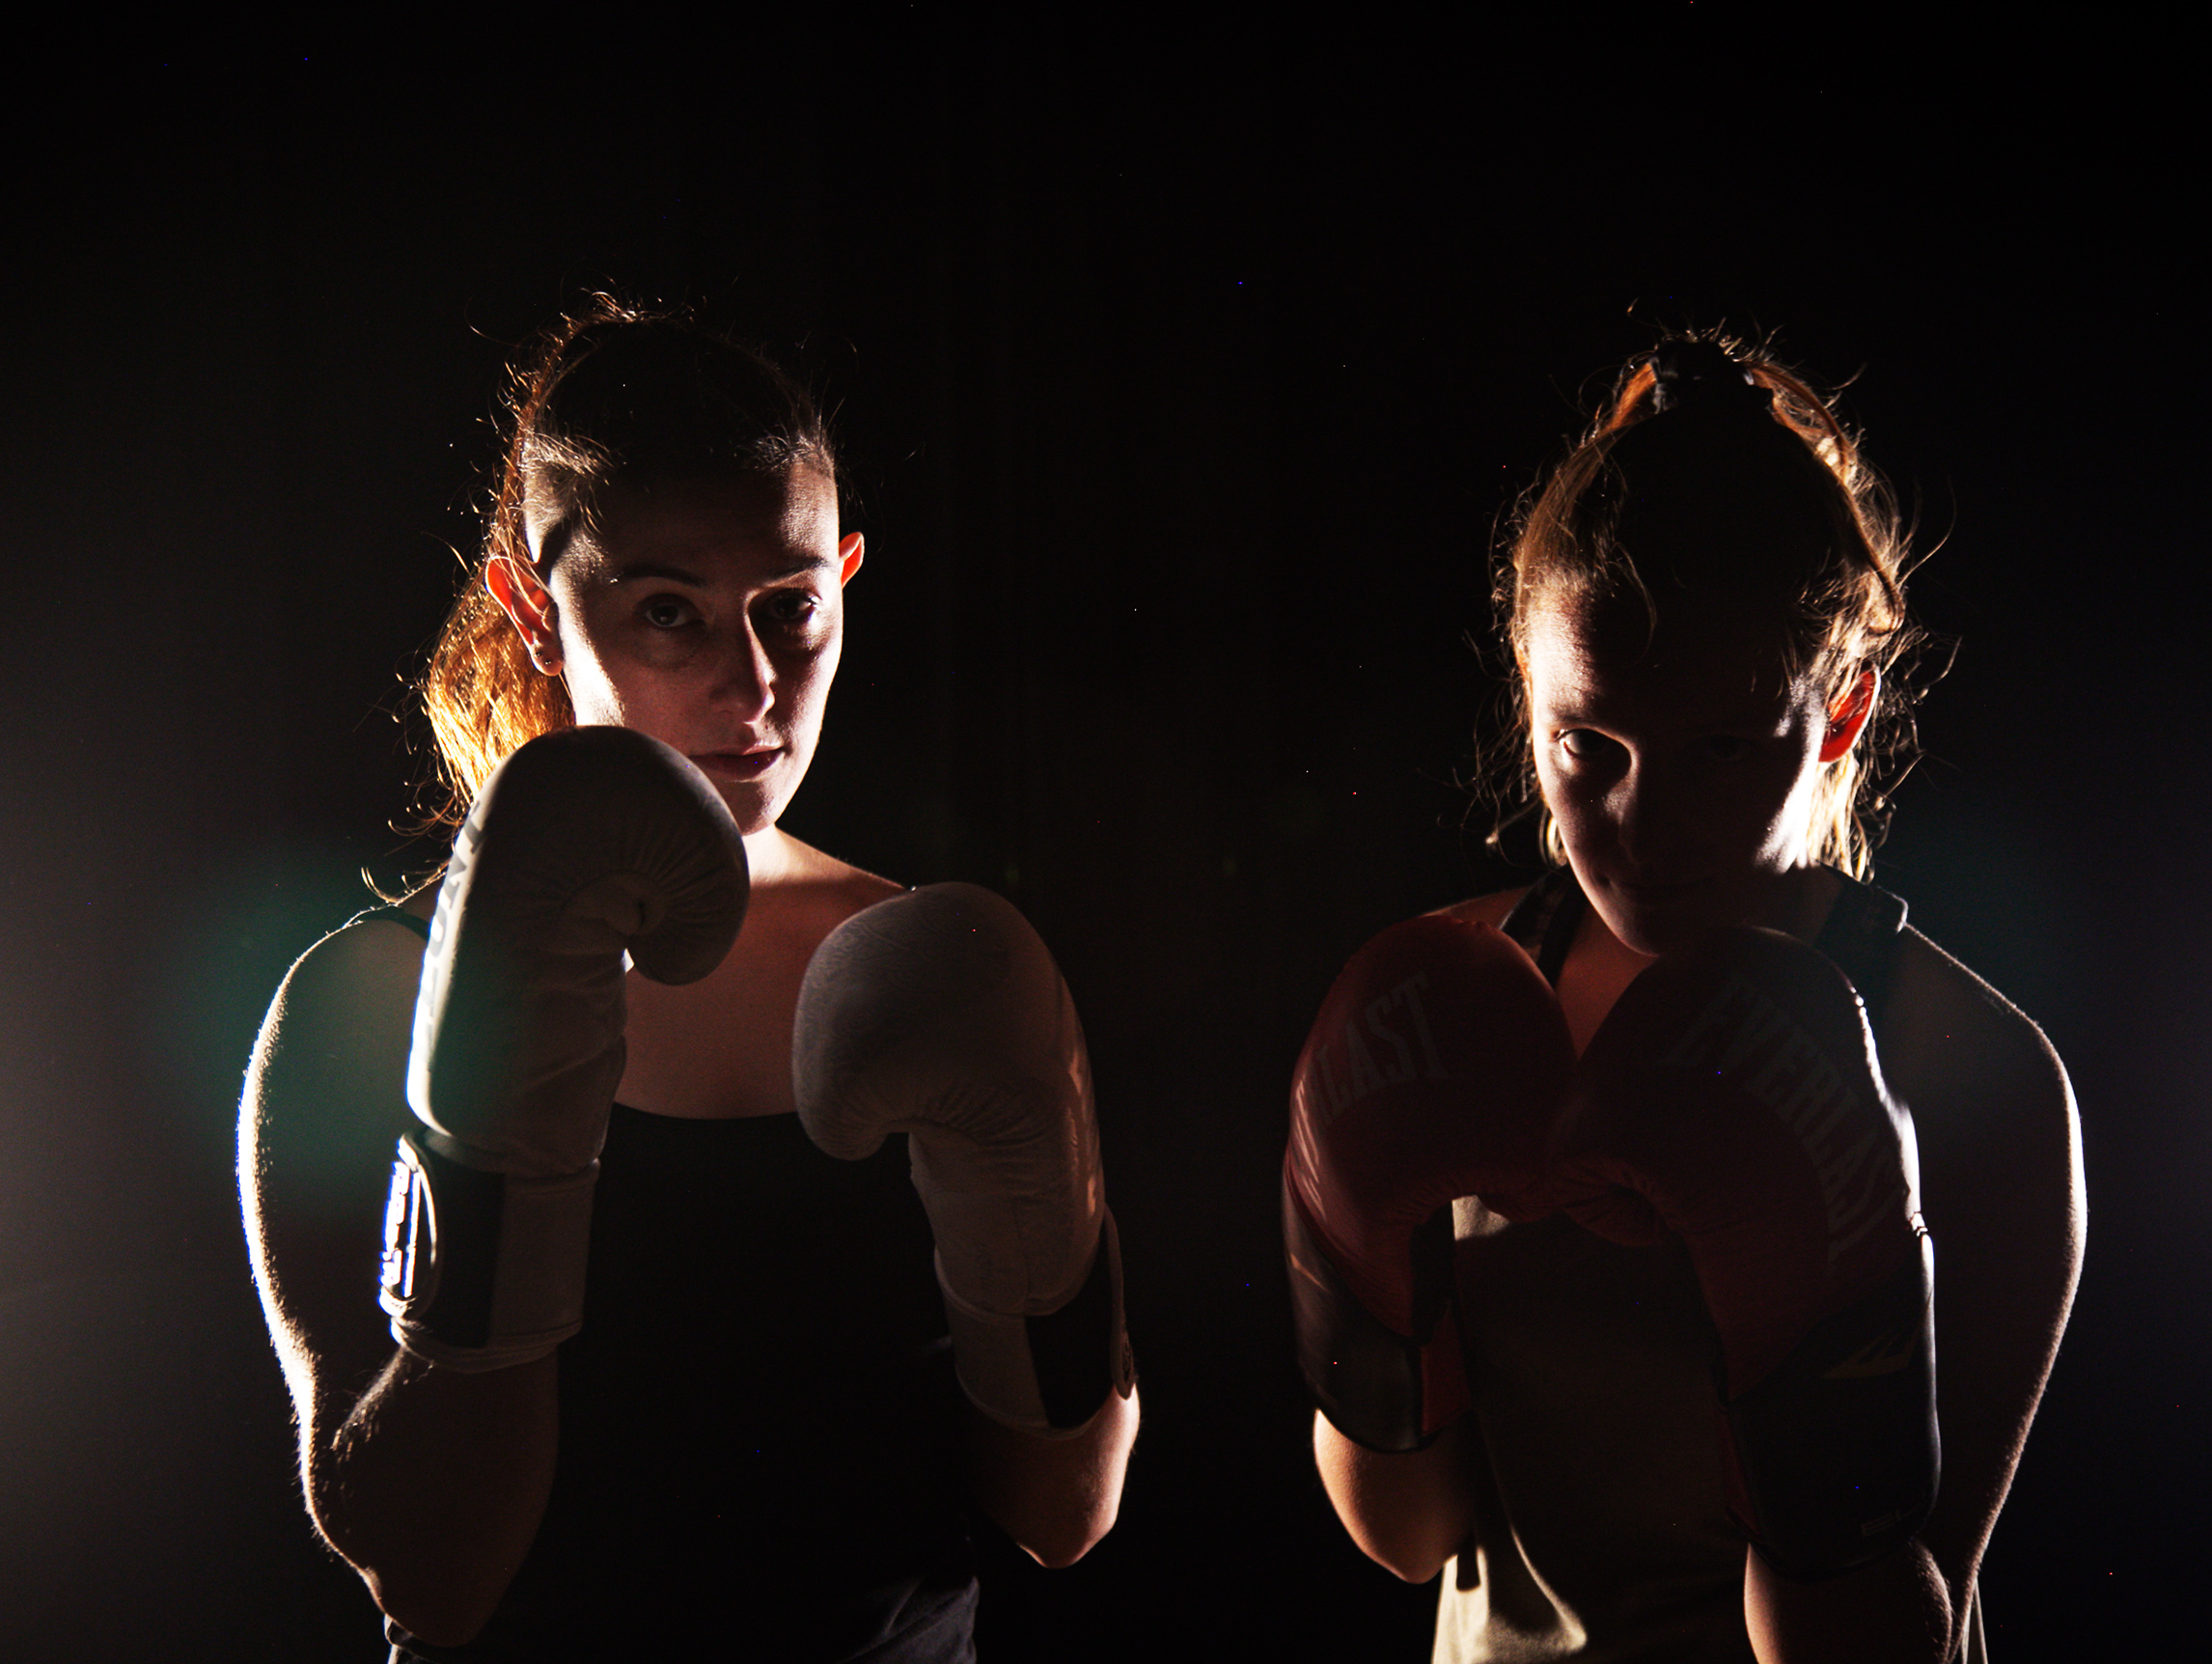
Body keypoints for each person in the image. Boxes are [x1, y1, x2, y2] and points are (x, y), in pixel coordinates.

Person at [238, 299, 1138, 1662]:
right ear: (535, 611)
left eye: (793, 609)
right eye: (670, 613)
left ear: (846, 577)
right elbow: (427, 1573)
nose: (754, 684)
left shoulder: (935, 972)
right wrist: (495, 1141)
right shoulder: (369, 1001)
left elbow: (1064, 1513)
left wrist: (1048, 1246)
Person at [1284, 336, 2083, 1662]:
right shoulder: (1445, 1002)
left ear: (1840, 714)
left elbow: (1884, 1646)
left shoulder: (1974, 1074)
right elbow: (1408, 1536)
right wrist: (1354, 1287)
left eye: (1718, 748)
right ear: (1528, 702)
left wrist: (1813, 1317)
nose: (1644, 826)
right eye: (1587, 745)